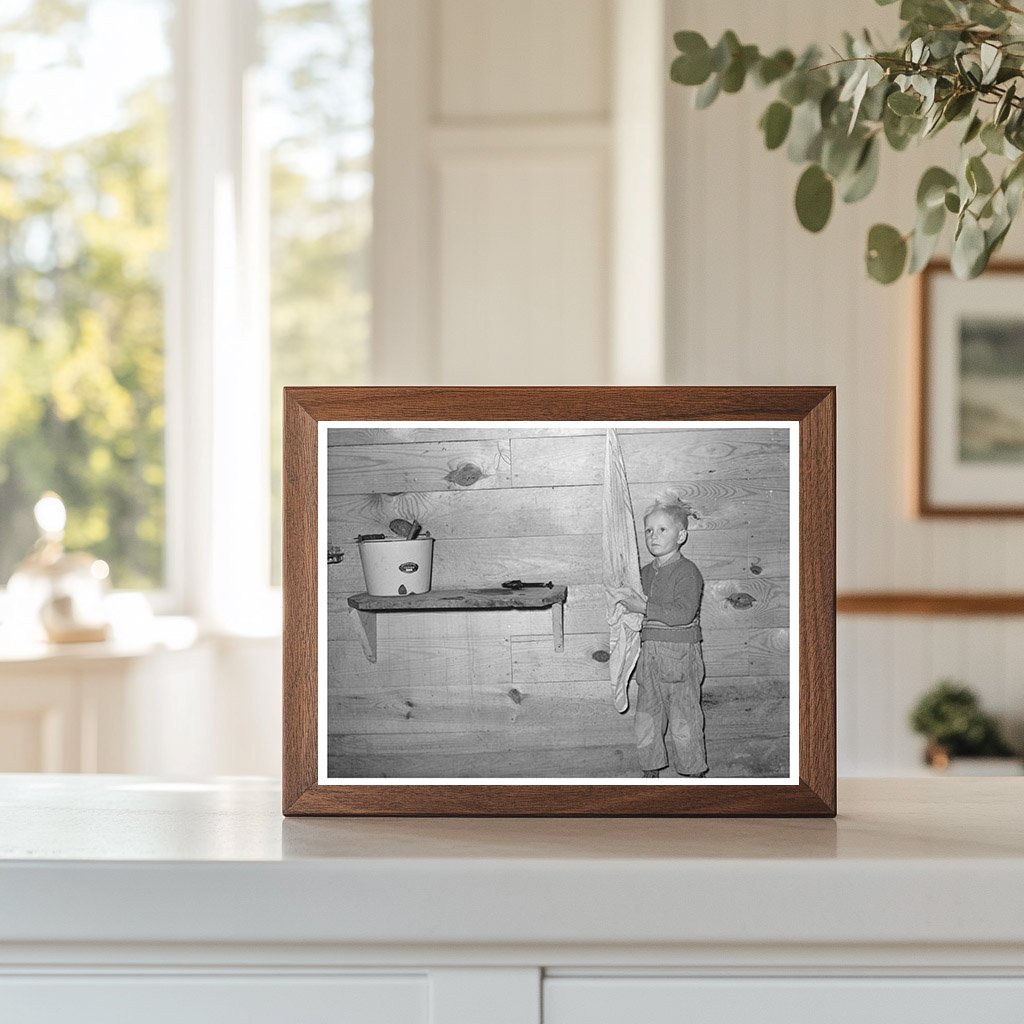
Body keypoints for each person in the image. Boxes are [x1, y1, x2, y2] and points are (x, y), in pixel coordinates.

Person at [607, 495, 708, 779]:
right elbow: (633, 612)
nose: (654, 536)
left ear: (682, 535)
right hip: (648, 661)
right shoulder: (643, 574)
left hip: (680, 660)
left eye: (663, 529)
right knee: (647, 721)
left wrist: (644, 607)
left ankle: (692, 777)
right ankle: (650, 777)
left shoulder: (688, 572)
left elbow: (683, 613)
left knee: (684, 723)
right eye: (649, 531)